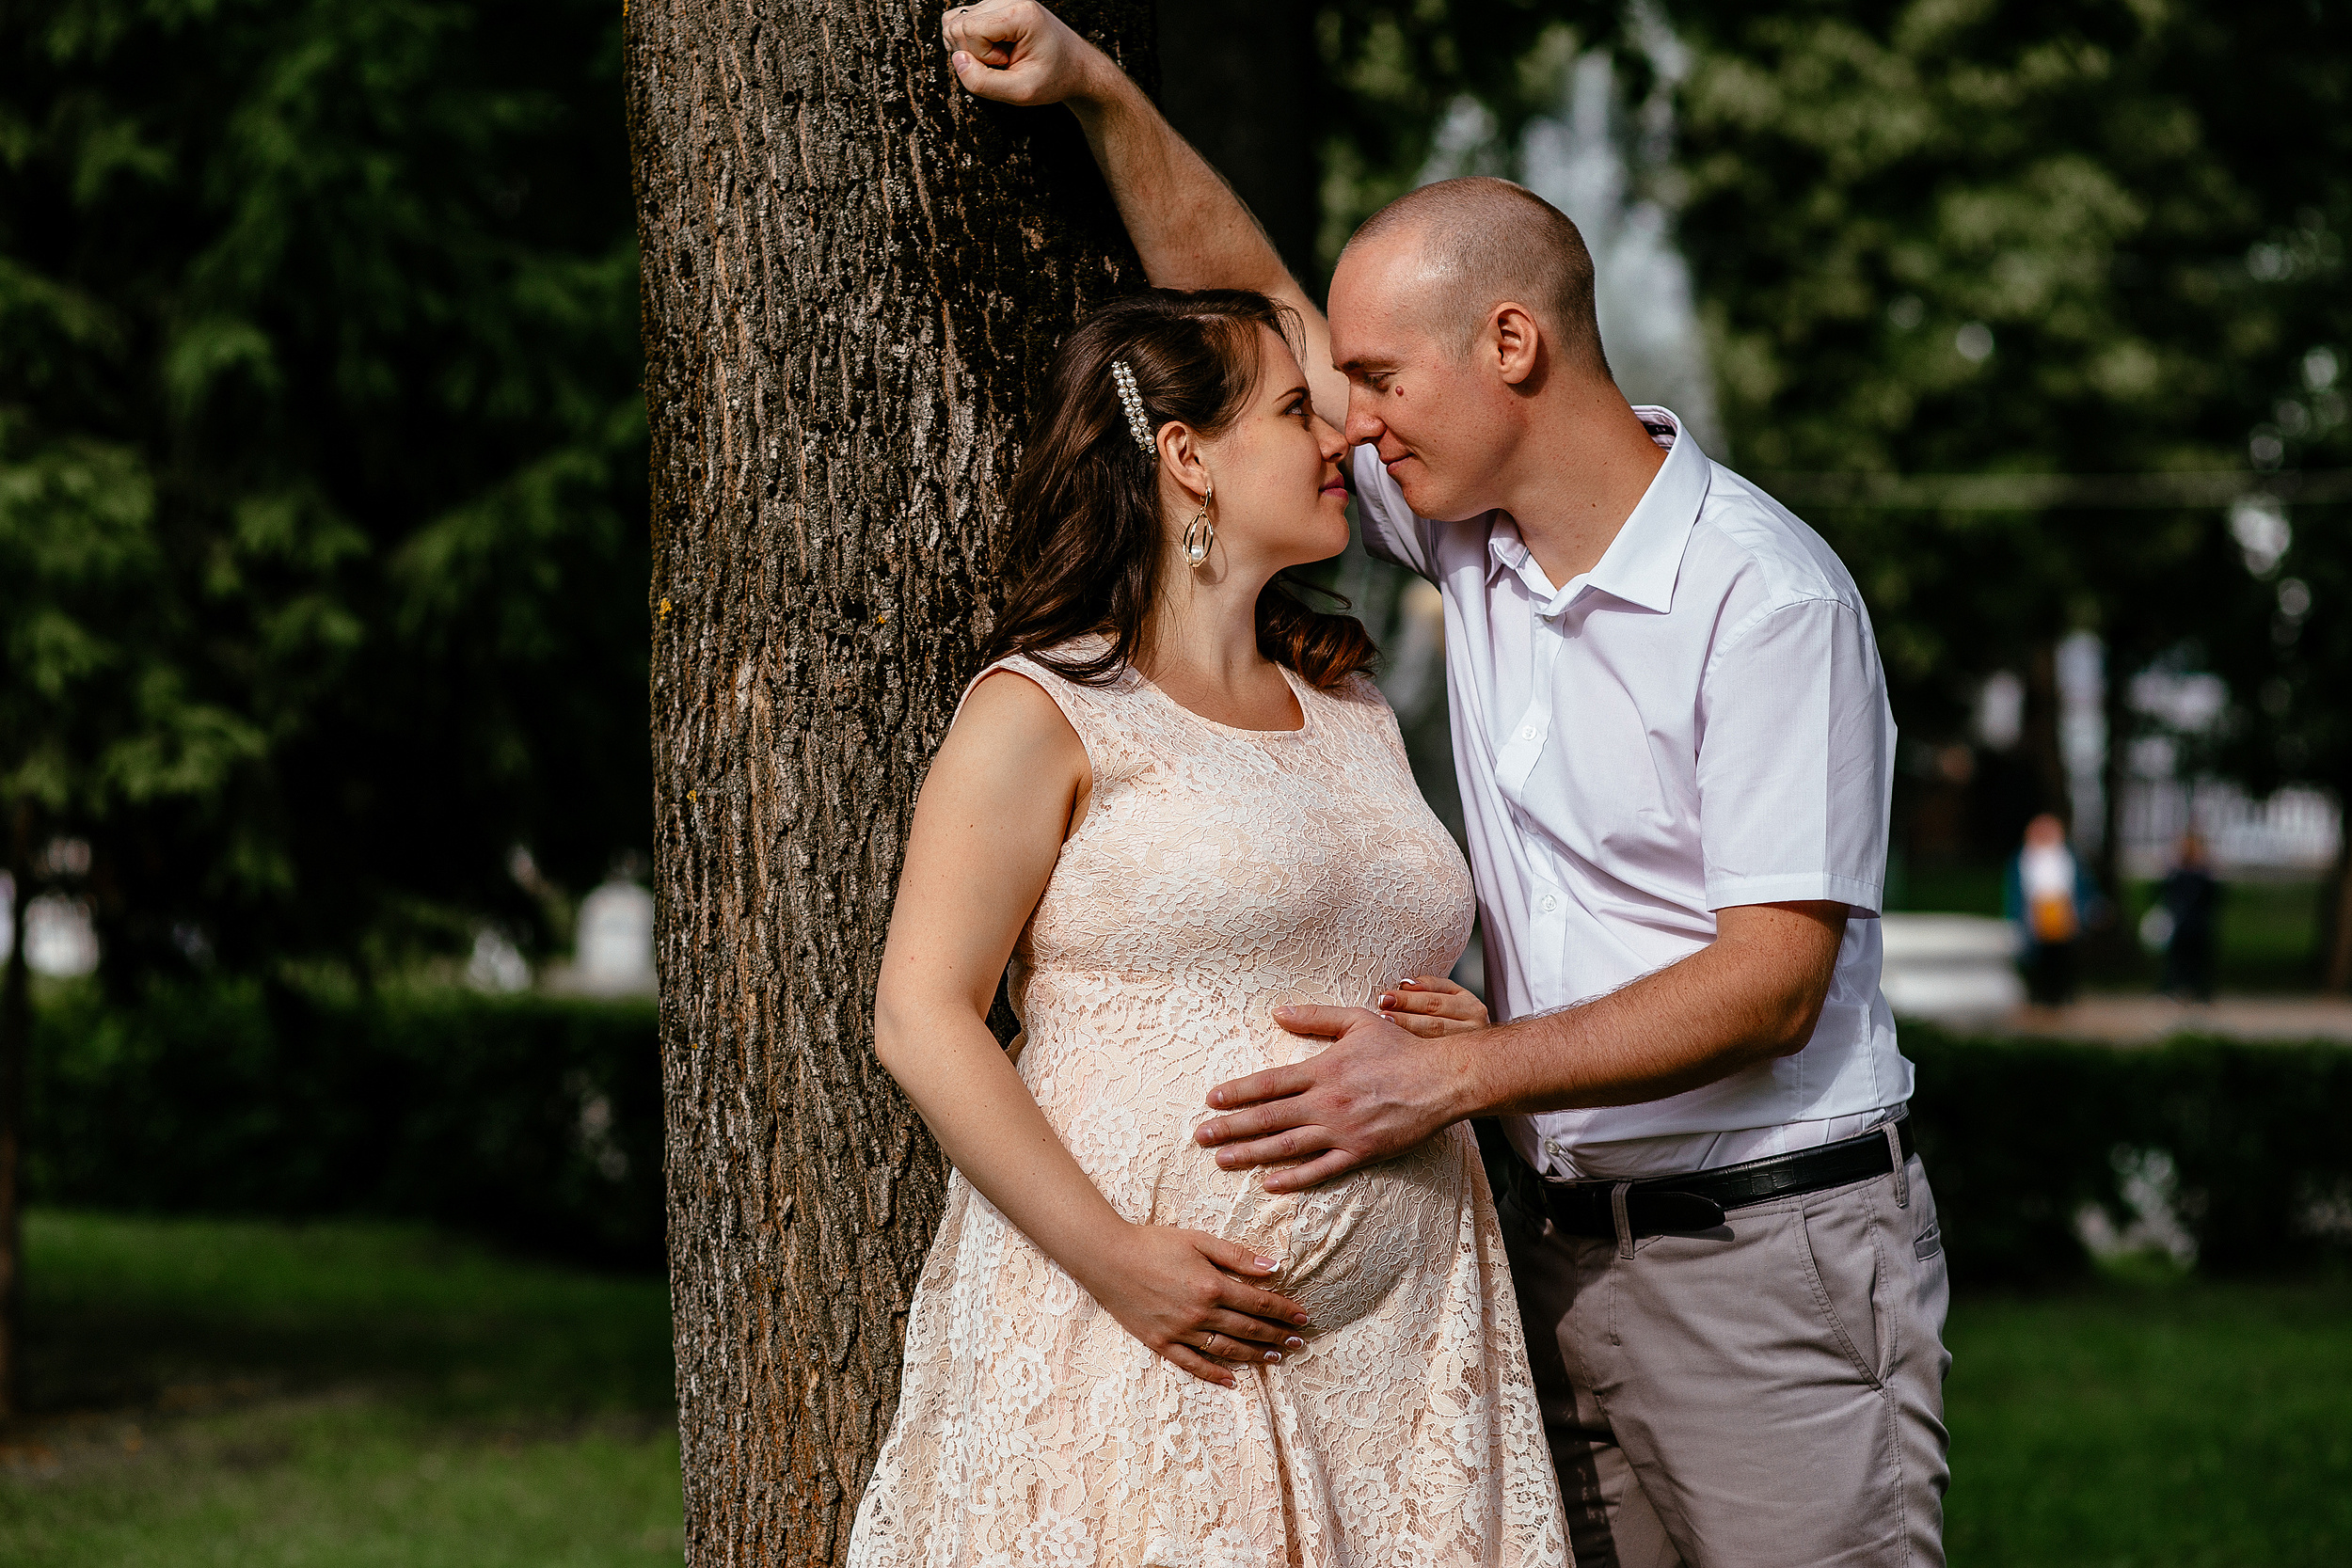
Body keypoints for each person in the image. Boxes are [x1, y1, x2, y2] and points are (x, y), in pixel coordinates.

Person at [943, 8, 1950, 1566]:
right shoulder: (1463, 540)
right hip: (1541, 1266)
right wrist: (1099, 95)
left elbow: (1771, 980)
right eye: (1334, 394)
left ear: (1512, 347)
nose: (1352, 416)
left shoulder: (1763, 601)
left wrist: (1460, 1074)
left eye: (1378, 377)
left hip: (1759, 1252)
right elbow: (1251, 317)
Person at [848, 290, 1569, 1566]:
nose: (1340, 437)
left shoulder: (1350, 701)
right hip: (1142, 1337)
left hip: (1403, 1354)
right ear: (1188, 457)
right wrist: (1123, 1260)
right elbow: (920, 1012)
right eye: (1298, 409)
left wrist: (1460, 1032)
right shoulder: (1044, 709)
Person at [2004, 813, 2099, 1008]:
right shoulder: (2023, 857)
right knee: (2040, 955)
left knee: (2064, 953)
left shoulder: (2069, 856)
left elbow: (2081, 885)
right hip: (2036, 911)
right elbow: (2016, 890)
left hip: (2063, 910)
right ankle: (2042, 993)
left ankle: (2064, 992)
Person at [2157, 832, 2220, 1003]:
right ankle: (2194, 991)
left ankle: (2181, 990)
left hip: (2186, 924)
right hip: (2194, 924)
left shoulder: (2178, 876)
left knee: (2183, 960)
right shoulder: (2202, 876)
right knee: (2191, 961)